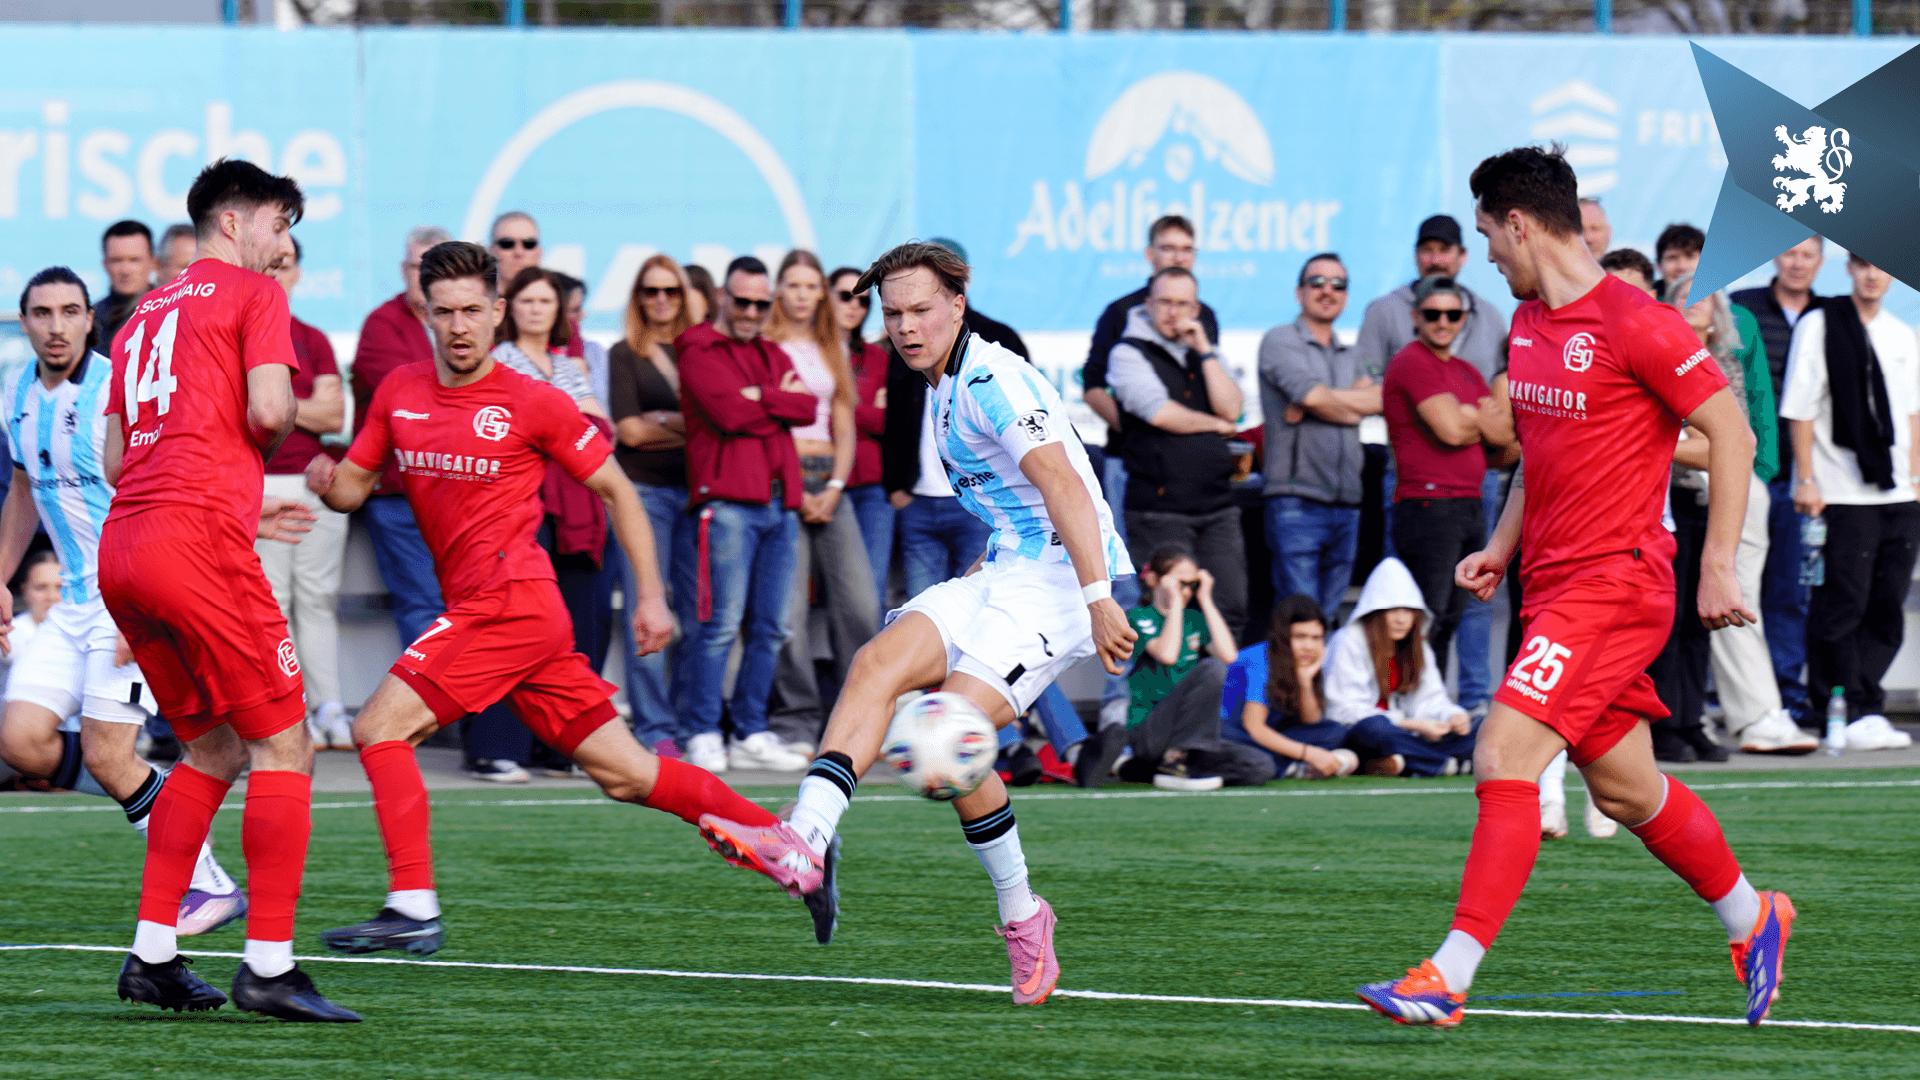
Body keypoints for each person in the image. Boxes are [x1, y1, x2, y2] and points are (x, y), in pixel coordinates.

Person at [1357, 146, 1790, 1029]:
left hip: (1615, 587)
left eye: (1487, 235)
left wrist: (1714, 567)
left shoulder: (1640, 323)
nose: (1485, 256)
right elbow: (1537, 459)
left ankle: (1448, 975)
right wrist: (1501, 547)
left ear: (1520, 223)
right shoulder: (1525, 326)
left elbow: (1734, 437)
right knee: (1628, 791)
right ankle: (1755, 917)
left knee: (1503, 757)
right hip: (1554, 587)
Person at [303, 241, 806, 957]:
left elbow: (618, 491)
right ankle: (787, 848)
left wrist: (652, 599)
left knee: (378, 728)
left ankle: (412, 903)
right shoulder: (399, 392)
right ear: (426, 315)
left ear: (499, 312)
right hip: (505, 617)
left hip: (509, 602)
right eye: (443, 313)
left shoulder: (531, 399)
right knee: (628, 775)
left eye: (473, 310)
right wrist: (328, 478)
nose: (458, 327)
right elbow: (354, 487)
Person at [700, 241, 1136, 1002]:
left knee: (946, 735)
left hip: (1061, 585)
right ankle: (806, 838)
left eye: (921, 310)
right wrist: (976, 585)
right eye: (893, 313)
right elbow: (1017, 511)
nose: (905, 326)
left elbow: (1064, 483)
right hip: (1005, 569)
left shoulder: (990, 378)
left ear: (958, 305)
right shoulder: (940, 381)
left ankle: (1024, 914)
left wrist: (1099, 600)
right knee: (876, 664)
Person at [100, 159, 358, 1021]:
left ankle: (154, 956)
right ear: (236, 222)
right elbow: (270, 413)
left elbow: (111, 458)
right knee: (288, 748)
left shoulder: (139, 317)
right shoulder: (254, 297)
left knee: (211, 750)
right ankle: (271, 969)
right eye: (281, 226)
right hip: (197, 546)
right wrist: (272, 430)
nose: (286, 247)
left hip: (125, 548)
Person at [1, 267, 292, 938]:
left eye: (69, 311)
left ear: (87, 320)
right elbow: (21, 490)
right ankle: (158, 799)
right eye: (41, 313)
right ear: (25, 323)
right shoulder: (15, 392)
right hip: (68, 603)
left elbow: (171, 484)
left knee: (109, 756)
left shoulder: (118, 385)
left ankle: (204, 878)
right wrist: (3, 573)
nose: (55, 325)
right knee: (20, 742)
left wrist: (234, 525)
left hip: (125, 594)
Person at [1354, 215, 1512, 717]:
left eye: (1453, 315)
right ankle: (1409, 706)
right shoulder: (1411, 361)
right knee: (1422, 615)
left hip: (1468, 501)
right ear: (1416, 317)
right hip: (1426, 504)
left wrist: (1477, 420)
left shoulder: (1465, 370)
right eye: (1433, 314)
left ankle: (1445, 706)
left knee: (1458, 614)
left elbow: (1506, 443)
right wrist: (1479, 418)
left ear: (1465, 317)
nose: (1444, 322)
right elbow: (1452, 430)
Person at [669, 256, 815, 774]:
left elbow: (808, 409)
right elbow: (728, 413)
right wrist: (772, 401)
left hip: (780, 504)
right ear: (724, 298)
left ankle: (750, 731)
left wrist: (760, 397)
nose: (752, 311)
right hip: (727, 503)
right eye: (743, 301)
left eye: (761, 302)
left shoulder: (772, 351)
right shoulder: (697, 346)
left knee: (772, 627)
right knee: (719, 627)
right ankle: (702, 729)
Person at [1778, 255, 1920, 753]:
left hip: (1899, 493)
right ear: (1849, 269)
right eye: (1862, 265)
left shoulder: (1903, 334)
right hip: (1839, 491)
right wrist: (1807, 479)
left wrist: (1917, 479)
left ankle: (1868, 706)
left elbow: (1912, 413)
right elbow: (1800, 408)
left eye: (1882, 267)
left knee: (1886, 604)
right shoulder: (1821, 325)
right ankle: (1838, 706)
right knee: (1842, 604)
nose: (1873, 275)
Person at [765, 251, 879, 757]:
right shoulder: (765, 347)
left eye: (811, 286)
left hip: (831, 480)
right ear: (779, 290)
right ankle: (796, 722)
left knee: (859, 605)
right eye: (793, 285)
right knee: (785, 613)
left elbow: (846, 424)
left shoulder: (832, 344)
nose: (803, 295)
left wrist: (833, 487)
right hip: (782, 481)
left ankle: (861, 718)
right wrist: (798, 487)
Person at [1105, 267, 1248, 641]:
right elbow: (1160, 413)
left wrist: (1204, 351)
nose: (1173, 312)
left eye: (1183, 304)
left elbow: (1232, 408)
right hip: (1159, 511)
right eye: (1165, 302)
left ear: (1196, 308)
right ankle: (1167, 701)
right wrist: (1214, 425)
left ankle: (1217, 697)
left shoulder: (1204, 351)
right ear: (1148, 304)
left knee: (1230, 608)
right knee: (1170, 616)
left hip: (1217, 508)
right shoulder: (1127, 352)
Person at [1081, 214, 1220, 570]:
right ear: (1149, 254)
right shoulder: (1120, 312)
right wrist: (1137, 426)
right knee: (1134, 570)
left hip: (1192, 471)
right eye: (1168, 248)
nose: (1178, 257)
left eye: (1186, 249)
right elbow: (1093, 387)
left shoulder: (1205, 315)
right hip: (1131, 464)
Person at [257, 236, 351, 752]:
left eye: (286, 263)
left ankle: (329, 707)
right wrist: (302, 407)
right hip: (259, 489)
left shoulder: (312, 338)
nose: (276, 272)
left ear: (297, 273)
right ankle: (288, 712)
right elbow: (248, 417)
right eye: (269, 263)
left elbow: (333, 417)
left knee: (317, 600)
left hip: (313, 486)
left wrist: (274, 402)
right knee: (272, 604)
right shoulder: (237, 335)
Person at [1733, 236, 1824, 727]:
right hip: (1745, 477)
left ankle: (1787, 696)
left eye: (1807, 254)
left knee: (1789, 593)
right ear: (1774, 257)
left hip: (1805, 480)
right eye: (1789, 252)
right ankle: (1737, 700)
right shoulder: (1741, 308)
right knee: (1738, 592)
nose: (1797, 263)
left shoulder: (1831, 314)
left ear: (1820, 262)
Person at [608, 253, 695, 760]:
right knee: (648, 605)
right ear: (638, 298)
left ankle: (688, 723)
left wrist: (664, 422)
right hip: (642, 495)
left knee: (696, 614)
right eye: (651, 291)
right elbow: (630, 432)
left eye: (671, 291)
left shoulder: (699, 350)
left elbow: (711, 421)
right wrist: (683, 424)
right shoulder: (625, 353)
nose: (661, 300)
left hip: (696, 493)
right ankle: (654, 725)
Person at [1259, 253, 1377, 618]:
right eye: (1317, 282)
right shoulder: (1280, 341)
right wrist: (1344, 404)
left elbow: (1378, 400)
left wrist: (1316, 401)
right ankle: (1292, 680)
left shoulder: (1354, 353)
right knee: (1300, 622)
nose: (1328, 290)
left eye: (1338, 284)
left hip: (1348, 504)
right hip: (1296, 501)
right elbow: (1315, 397)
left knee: (1327, 621)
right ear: (1299, 292)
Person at [353, 226, 452, 654]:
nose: (426, 276)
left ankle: (464, 715)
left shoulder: (465, 319)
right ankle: (430, 716)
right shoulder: (382, 324)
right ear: (403, 270)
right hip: (399, 492)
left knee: (463, 605)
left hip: (459, 489)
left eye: (437, 266)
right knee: (423, 607)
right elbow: (407, 402)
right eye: (418, 266)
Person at [1115, 544, 1265, 790]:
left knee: (1259, 766)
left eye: (1191, 585)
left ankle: (1162, 768)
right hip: (1151, 728)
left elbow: (1229, 655)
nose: (1185, 591)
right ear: (1153, 579)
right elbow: (1168, 655)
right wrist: (1173, 603)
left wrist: (1205, 598)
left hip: (1190, 733)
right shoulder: (1137, 616)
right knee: (1211, 669)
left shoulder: (1194, 619)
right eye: (1179, 583)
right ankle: (1174, 759)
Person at [1323, 558, 1478, 777]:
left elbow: (1431, 700)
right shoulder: (1348, 640)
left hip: (1409, 736)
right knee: (1375, 728)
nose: (1401, 619)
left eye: (1408, 611)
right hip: (1364, 733)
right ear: (1375, 612)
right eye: (1393, 610)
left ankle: (1405, 762)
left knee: (1479, 726)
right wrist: (1410, 724)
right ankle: (1446, 763)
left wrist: (1453, 717)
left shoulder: (1417, 646)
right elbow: (1343, 710)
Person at [1220, 594, 1360, 780]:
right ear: (1282, 636)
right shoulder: (1259, 659)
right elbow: (1254, 727)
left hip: (1271, 731)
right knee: (1229, 740)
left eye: (1316, 638)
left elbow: (1311, 721)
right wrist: (1308, 753)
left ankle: (1280, 763)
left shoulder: (1307, 661)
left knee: (1333, 732)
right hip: (1232, 730)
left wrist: (1305, 682)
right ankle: (1288, 767)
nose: (1308, 646)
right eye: (1300, 637)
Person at [830, 266, 895, 601]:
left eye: (863, 301)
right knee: (830, 591)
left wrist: (838, 406)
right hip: (821, 481)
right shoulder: (810, 354)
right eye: (844, 296)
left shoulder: (876, 356)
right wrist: (862, 409)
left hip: (871, 486)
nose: (854, 306)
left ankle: (870, 655)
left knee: (871, 590)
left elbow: (887, 423)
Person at [494, 267, 606, 417]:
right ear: (511, 307)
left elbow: (600, 421)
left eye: (545, 301)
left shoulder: (566, 366)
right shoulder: (499, 361)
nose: (536, 309)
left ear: (558, 309)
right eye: (527, 301)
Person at [92, 220, 154, 352]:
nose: (125, 270)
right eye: (116, 260)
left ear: (153, 262)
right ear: (105, 264)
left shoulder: (170, 313)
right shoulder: (89, 319)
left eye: (134, 260)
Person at [490, 210, 543, 291]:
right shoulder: (475, 301)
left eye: (529, 244)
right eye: (507, 244)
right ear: (491, 252)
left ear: (539, 252)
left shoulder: (564, 301)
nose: (519, 252)